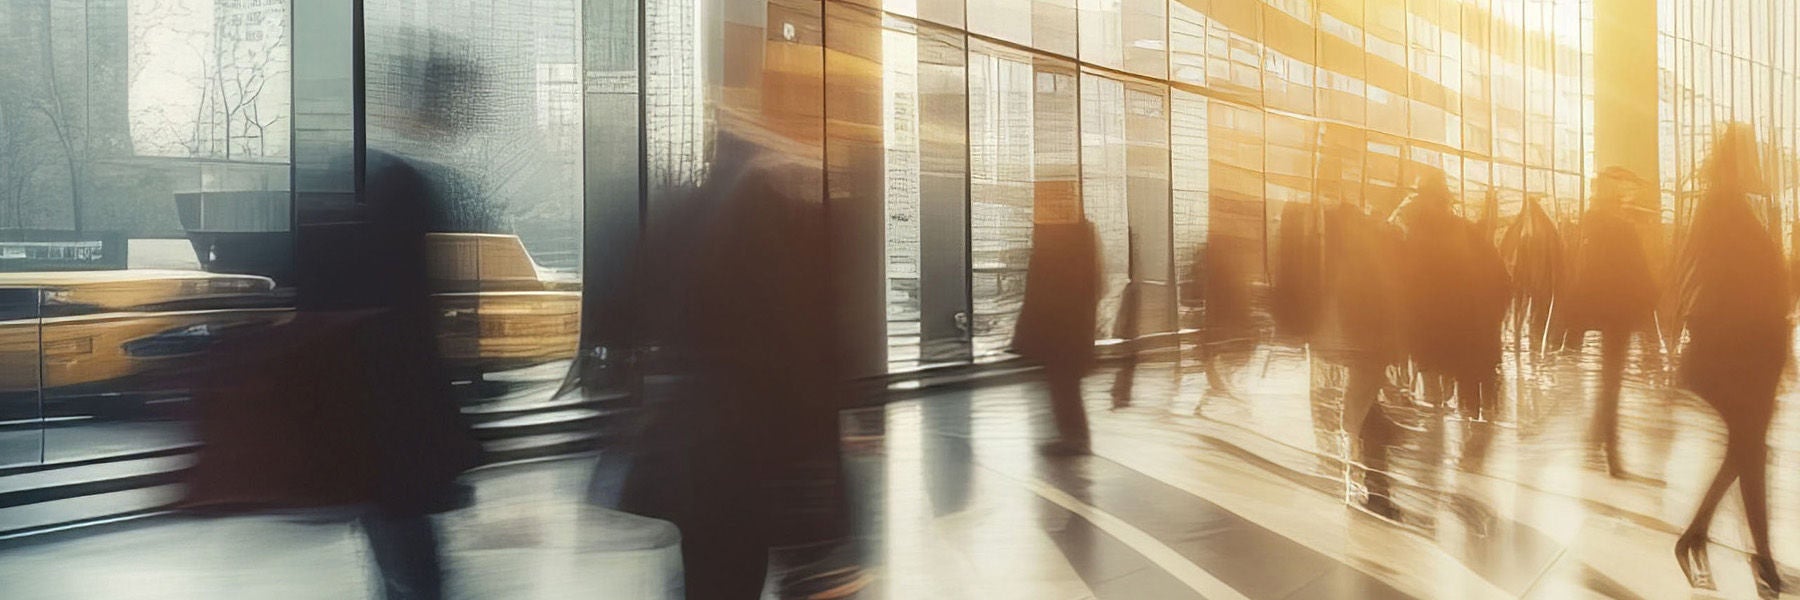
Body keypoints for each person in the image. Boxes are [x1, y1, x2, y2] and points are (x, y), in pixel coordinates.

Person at [1672, 125, 1787, 595]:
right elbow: (1723, 280)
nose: (1760, 164)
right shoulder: (1722, 208)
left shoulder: (1729, 205)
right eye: (1753, 156)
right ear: (1738, 160)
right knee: (1751, 450)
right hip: (1735, 353)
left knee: (1749, 449)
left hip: (1745, 352)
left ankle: (1703, 539)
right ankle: (1761, 564)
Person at [1563, 167, 1658, 477]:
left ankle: (1596, 441)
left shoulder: (1591, 229)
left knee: (1609, 381)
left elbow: (1586, 272)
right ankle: (1611, 454)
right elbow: (1637, 273)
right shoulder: (1620, 231)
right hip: (1621, 312)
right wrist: (1649, 306)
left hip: (1606, 310)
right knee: (1611, 382)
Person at [1013, 215, 1102, 455]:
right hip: (1070, 330)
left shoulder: (1056, 240)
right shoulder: (1079, 235)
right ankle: (1074, 436)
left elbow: (1040, 289)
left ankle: (1074, 438)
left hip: (1060, 330)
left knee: (1062, 384)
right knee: (1064, 384)